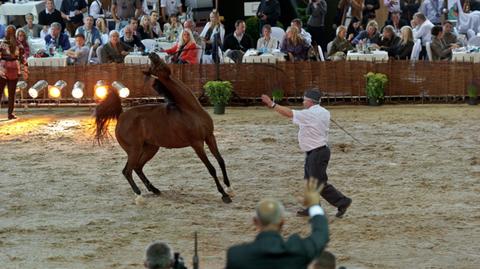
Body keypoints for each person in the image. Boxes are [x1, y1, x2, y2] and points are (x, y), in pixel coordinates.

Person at [260, 89, 352, 218]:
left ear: (309, 101)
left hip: (317, 152)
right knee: (309, 182)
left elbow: (288, 113)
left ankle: (343, 201)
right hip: (317, 151)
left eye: (304, 100)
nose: (303, 102)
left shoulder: (310, 114)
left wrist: (272, 104)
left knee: (318, 184)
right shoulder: (324, 112)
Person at [225, 178, 329, 269]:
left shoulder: (237, 256)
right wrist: (314, 205)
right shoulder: (299, 250)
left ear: (255, 222)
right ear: (282, 222)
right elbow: (321, 234)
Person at [0, 25, 28, 120]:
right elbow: (23, 59)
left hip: (3, 69)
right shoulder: (19, 45)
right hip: (14, 69)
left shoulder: (1, 43)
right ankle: (10, 114)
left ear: (5, 33)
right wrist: (25, 71)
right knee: (11, 93)